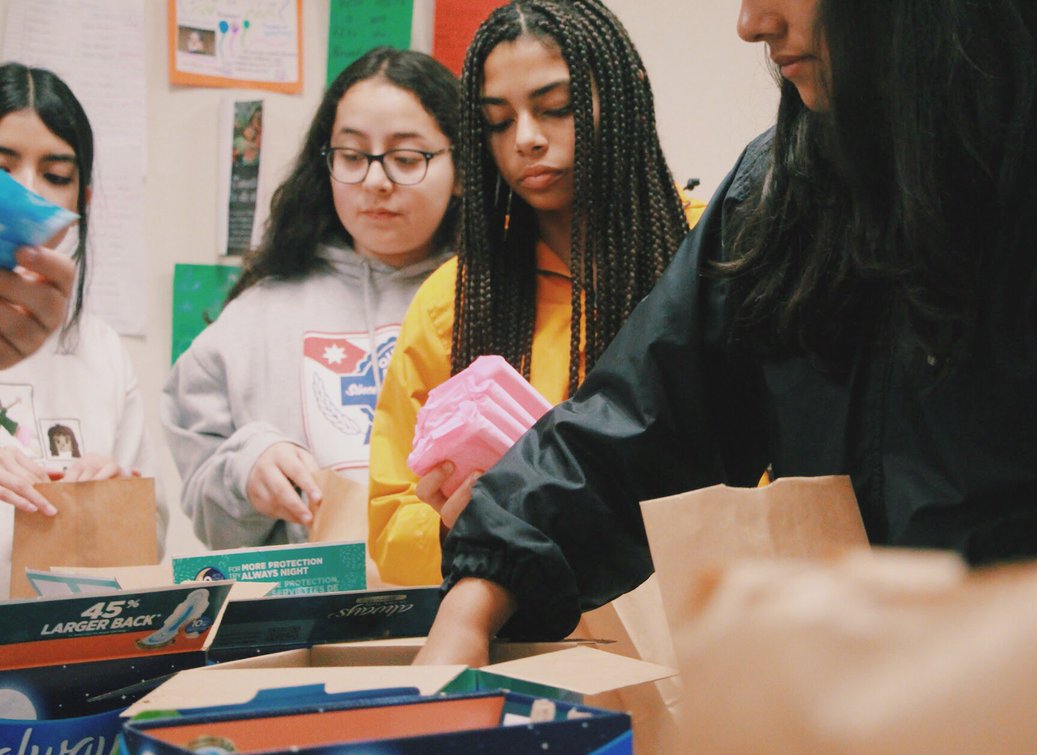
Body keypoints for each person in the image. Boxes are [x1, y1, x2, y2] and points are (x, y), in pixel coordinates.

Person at [413, 0, 1037, 666]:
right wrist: (480, 593)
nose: (752, 23)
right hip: (850, 716)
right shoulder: (785, 184)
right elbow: (647, 413)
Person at [368, 0, 705, 586]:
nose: (525, 139)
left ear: (627, 94)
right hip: (523, 637)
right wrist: (455, 531)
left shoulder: (710, 252)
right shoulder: (453, 302)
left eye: (556, 108)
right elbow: (391, 521)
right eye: (498, 121)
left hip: (708, 625)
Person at [163, 47, 459, 550]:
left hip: (465, 616)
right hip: (304, 620)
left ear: (463, 173)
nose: (375, 181)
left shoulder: (498, 299)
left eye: (407, 159)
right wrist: (247, 468)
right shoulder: (255, 319)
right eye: (351, 156)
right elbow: (206, 516)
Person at [0, 62, 166, 597]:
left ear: (82, 202)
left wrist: (114, 498)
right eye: (3, 168)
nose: (27, 192)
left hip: (56, 657)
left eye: (55, 175)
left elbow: (150, 550)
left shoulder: (101, 351)